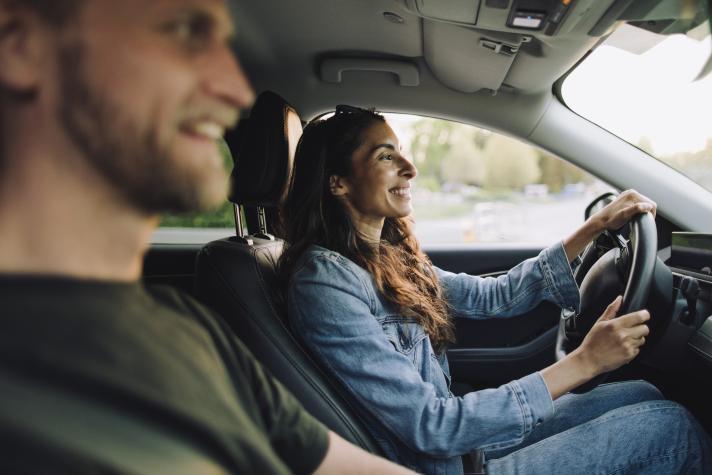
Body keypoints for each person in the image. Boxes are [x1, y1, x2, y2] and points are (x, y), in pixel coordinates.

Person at [0, 1, 416, 473]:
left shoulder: (188, 329)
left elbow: (339, 465)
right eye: (182, 32)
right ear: (20, 44)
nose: (233, 90)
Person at [281, 107, 712, 474]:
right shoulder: (325, 283)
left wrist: (594, 226)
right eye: (385, 156)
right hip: (441, 463)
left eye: (402, 153)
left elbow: (496, 296)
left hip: (461, 452)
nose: (409, 168)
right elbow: (433, 426)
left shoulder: (386, 256)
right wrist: (586, 361)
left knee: (643, 393)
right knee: (670, 428)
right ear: (338, 183)